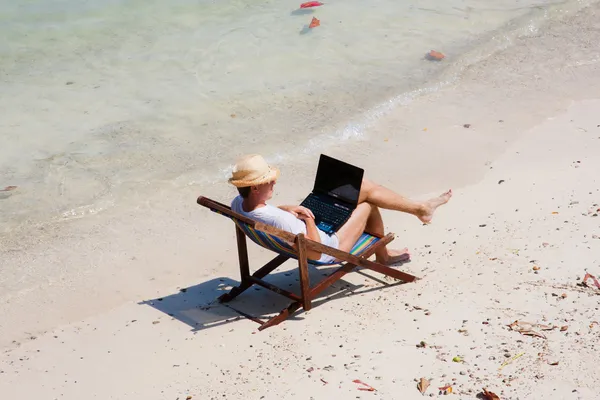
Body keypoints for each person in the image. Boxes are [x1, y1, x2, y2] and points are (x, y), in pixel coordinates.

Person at [229, 154, 452, 264]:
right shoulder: (279, 222)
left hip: (304, 231)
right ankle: (388, 250)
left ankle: (420, 208)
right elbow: (315, 251)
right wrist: (307, 220)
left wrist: (289, 209)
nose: (274, 183)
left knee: (361, 187)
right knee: (366, 203)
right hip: (329, 246)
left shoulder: (238, 204)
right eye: (269, 181)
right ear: (256, 188)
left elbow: (269, 215)